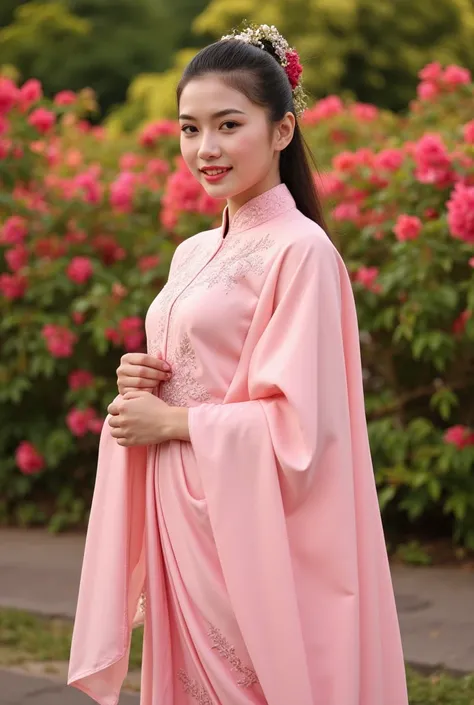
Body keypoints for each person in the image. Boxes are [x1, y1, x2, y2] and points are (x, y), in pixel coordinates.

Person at [68, 23, 409, 705]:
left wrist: (171, 420)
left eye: (228, 124)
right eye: (190, 129)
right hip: (184, 510)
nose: (206, 149)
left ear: (282, 130)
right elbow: (194, 366)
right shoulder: (192, 252)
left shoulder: (301, 252)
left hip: (245, 527)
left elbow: (301, 428)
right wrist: (143, 377)